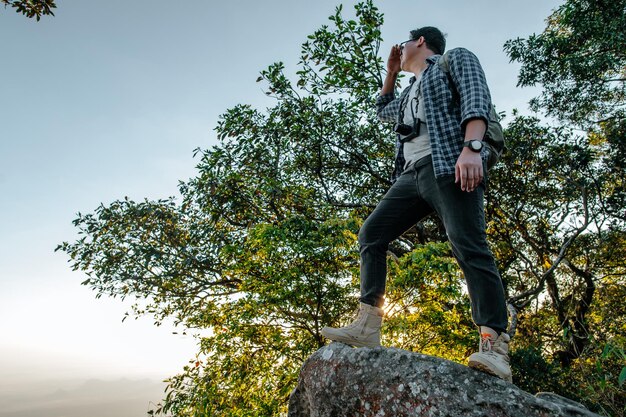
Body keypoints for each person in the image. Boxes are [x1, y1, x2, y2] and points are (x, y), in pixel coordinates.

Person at [321, 26, 512, 383]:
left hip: (448, 162)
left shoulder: (452, 60)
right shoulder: (410, 90)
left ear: (420, 41)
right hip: (411, 175)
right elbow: (383, 110)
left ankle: (495, 346)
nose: (400, 47)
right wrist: (391, 73)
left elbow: (475, 98)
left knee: (469, 246)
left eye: (405, 42)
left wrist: (471, 149)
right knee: (372, 234)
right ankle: (367, 325)